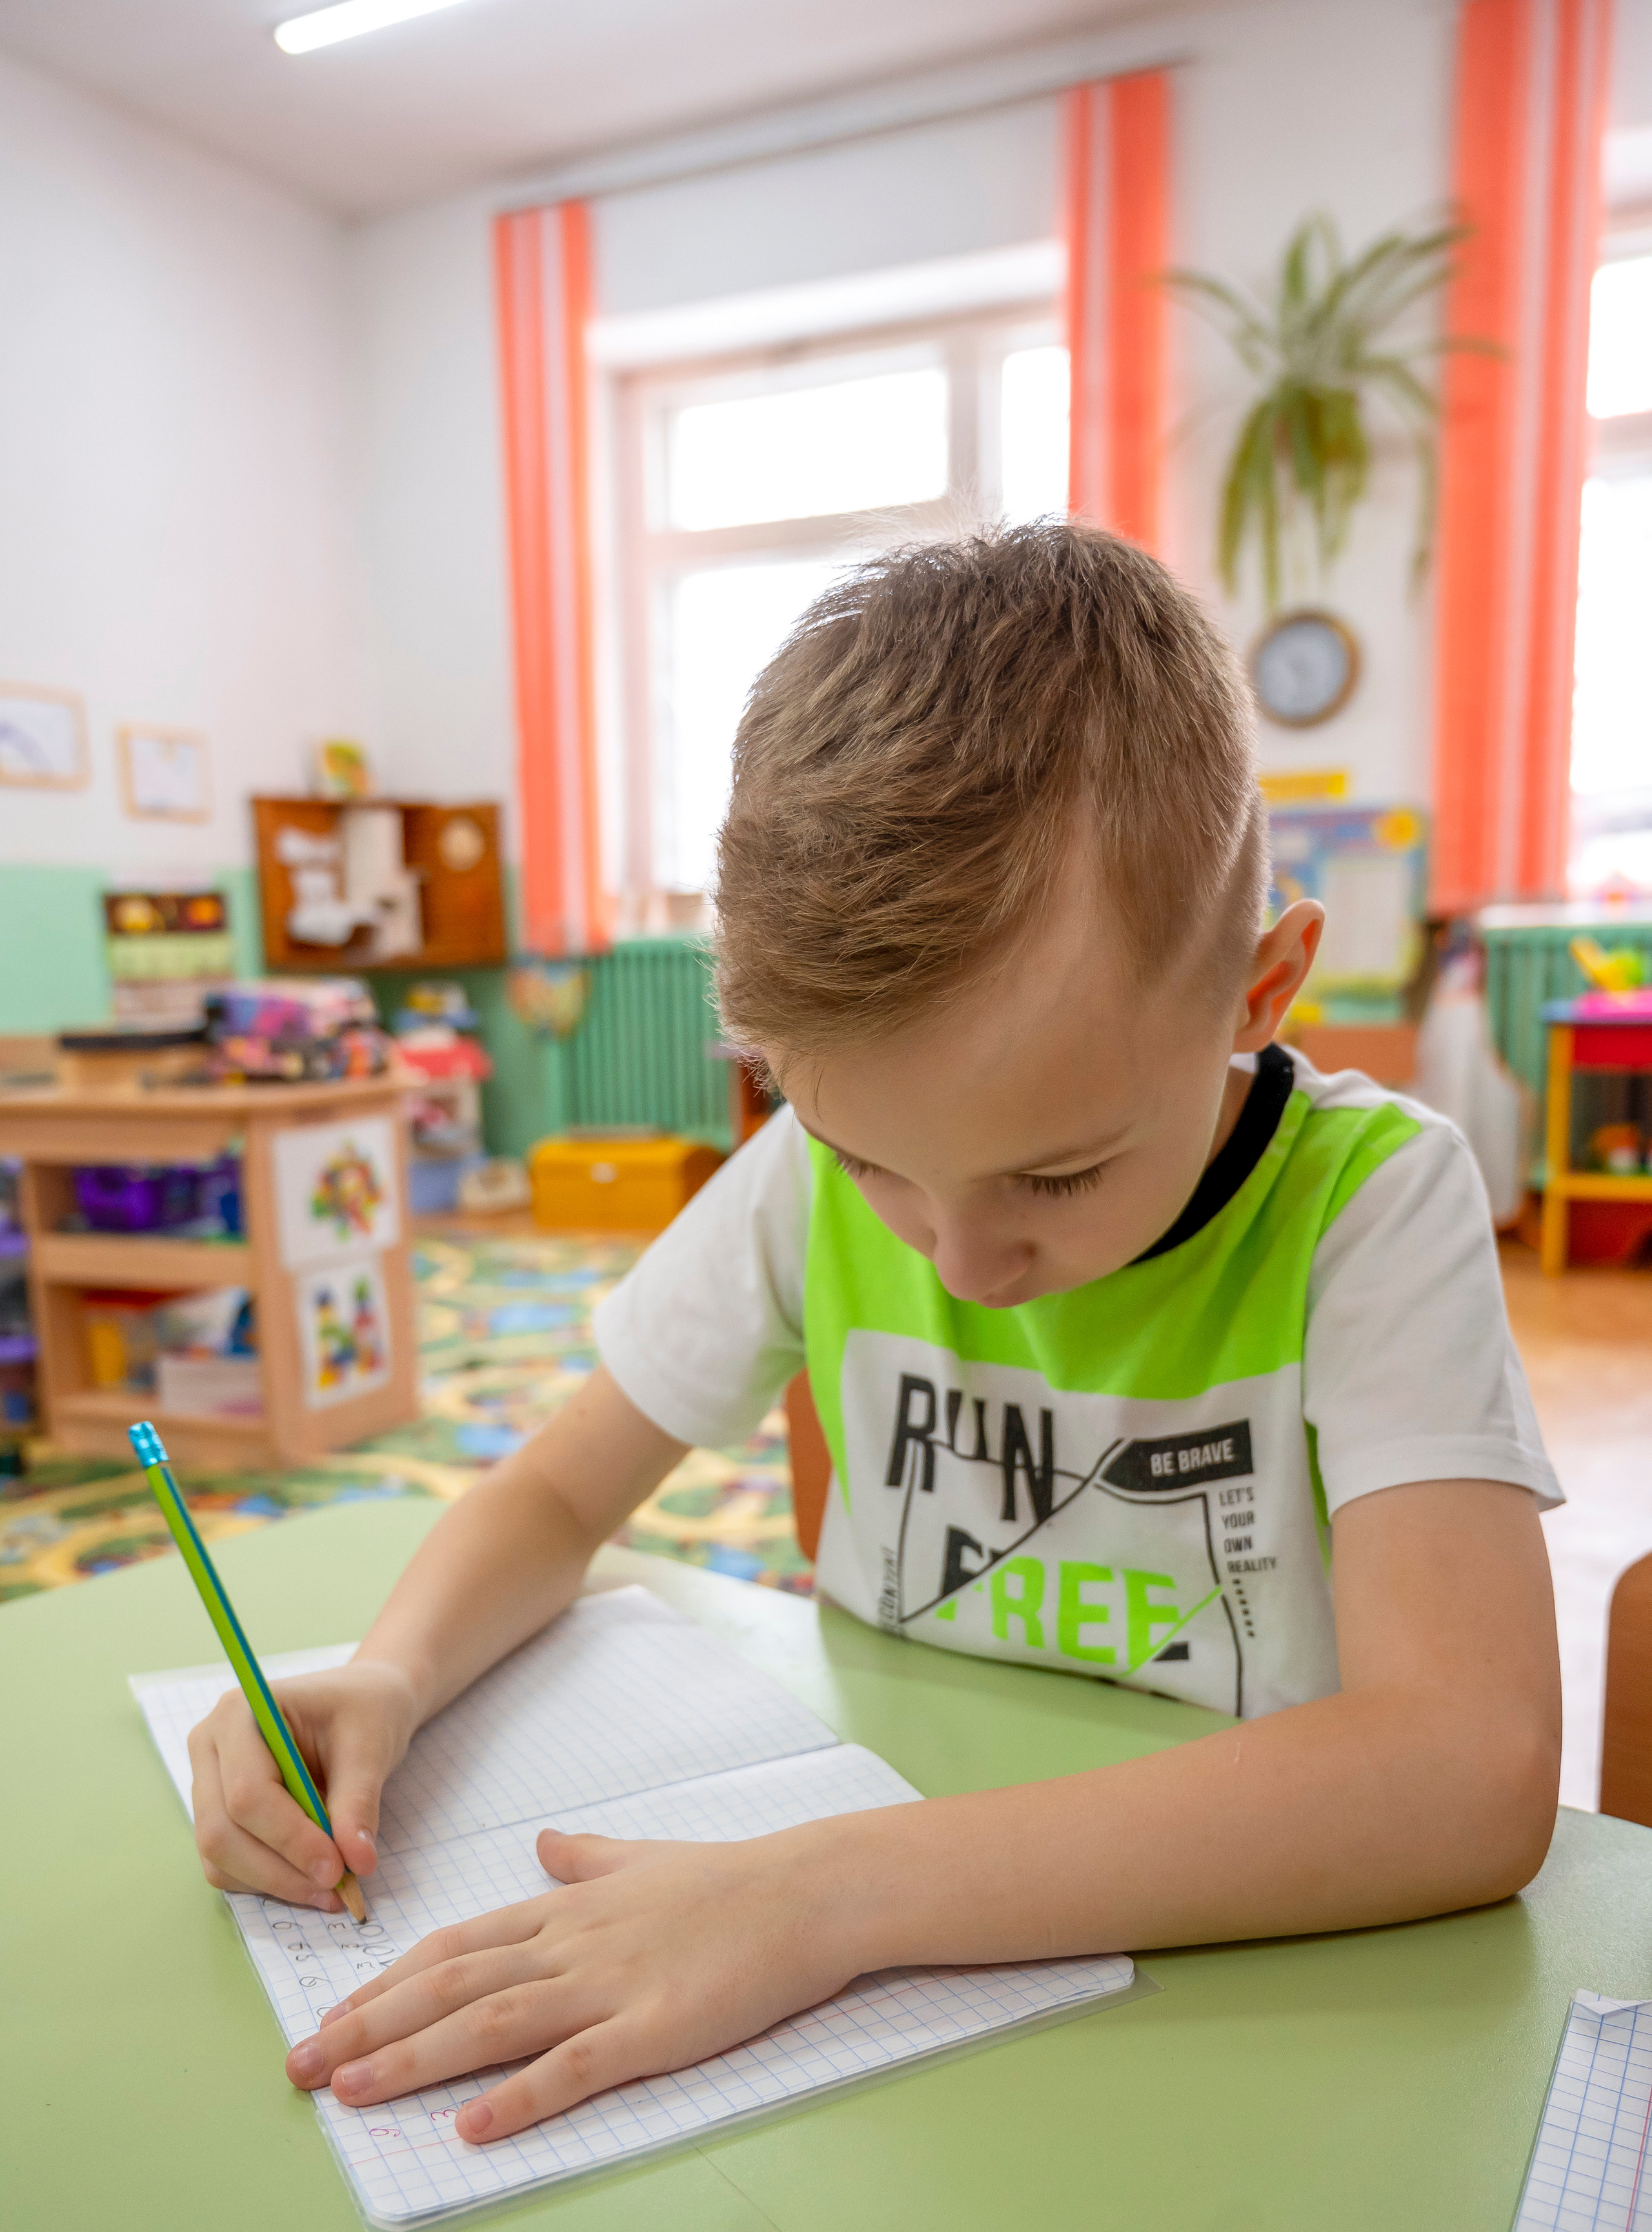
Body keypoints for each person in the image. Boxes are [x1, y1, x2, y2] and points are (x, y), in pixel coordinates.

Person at [188, 524, 1562, 2147]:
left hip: (1239, 1998)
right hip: (887, 2016)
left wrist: (823, 1896)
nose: (962, 1260)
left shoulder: (1370, 1205)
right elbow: (554, 1493)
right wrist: (393, 1669)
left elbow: (1464, 1767)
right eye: (871, 1163)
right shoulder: (801, 1176)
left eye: (1056, 1174)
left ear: (1258, 993)